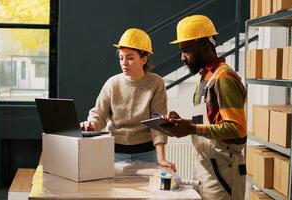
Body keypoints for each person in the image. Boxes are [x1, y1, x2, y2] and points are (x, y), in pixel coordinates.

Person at [161, 15, 247, 200]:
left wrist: (191, 128)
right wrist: (182, 122)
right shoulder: (206, 77)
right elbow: (209, 120)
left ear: (205, 46)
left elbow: (237, 130)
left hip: (224, 171)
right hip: (206, 167)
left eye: (186, 50)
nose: (182, 57)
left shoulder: (224, 79)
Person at [80, 28, 176, 171]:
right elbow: (98, 114)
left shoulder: (156, 83)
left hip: (146, 153)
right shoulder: (112, 83)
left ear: (144, 59)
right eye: (121, 58)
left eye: (130, 58)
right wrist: (92, 124)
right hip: (113, 152)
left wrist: (161, 158)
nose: (124, 63)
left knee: (145, 193)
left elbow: (158, 122)